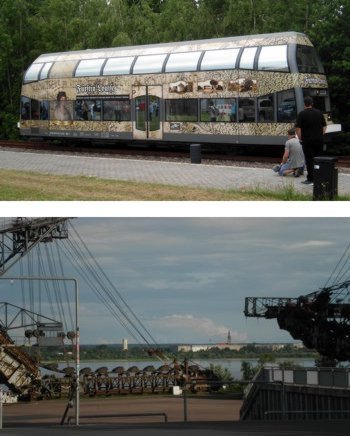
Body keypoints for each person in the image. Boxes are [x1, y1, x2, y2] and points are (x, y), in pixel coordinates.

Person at [295, 96, 327, 185]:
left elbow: (298, 128)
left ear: (304, 104)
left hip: (307, 141)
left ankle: (310, 179)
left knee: (309, 160)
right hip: (319, 140)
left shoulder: (301, 114)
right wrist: (321, 134)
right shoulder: (319, 113)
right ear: (312, 104)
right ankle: (319, 178)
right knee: (319, 159)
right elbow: (324, 126)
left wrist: (301, 138)